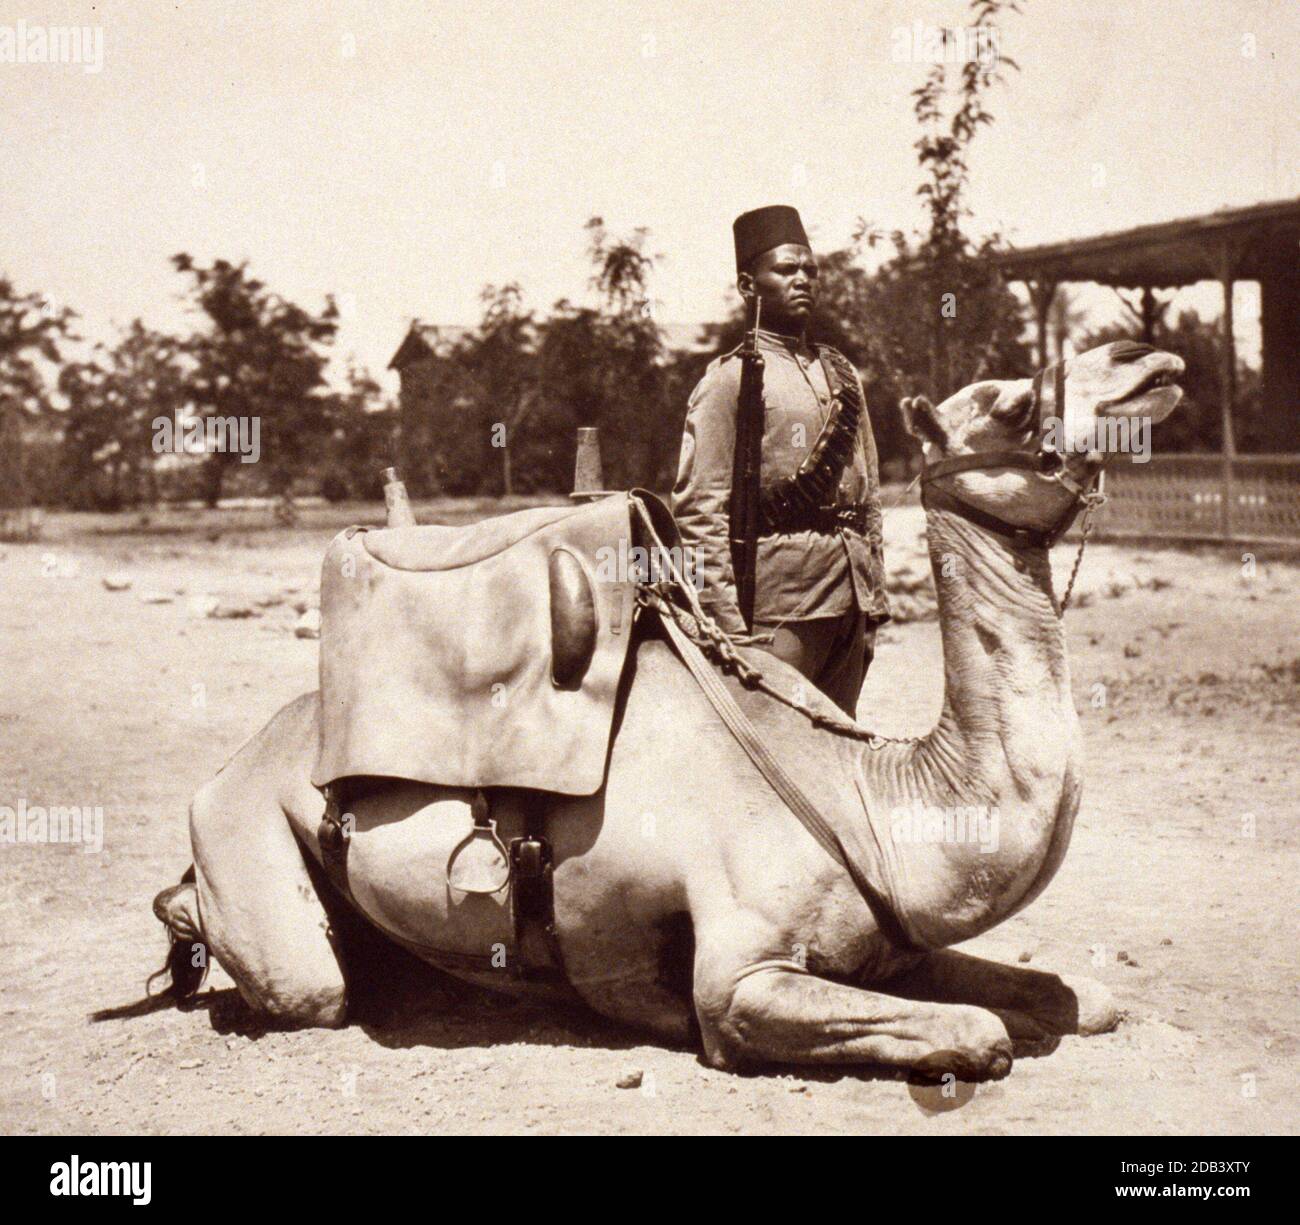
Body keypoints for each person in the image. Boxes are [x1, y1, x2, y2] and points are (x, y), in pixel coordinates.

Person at [671, 204, 889, 715]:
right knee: (772, 757)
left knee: (842, 747)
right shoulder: (729, 381)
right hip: (778, 609)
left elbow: (869, 494)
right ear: (750, 286)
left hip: (848, 601)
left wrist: (873, 601)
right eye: (786, 270)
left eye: (810, 269)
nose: (803, 280)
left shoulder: (842, 373)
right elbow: (700, 512)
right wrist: (728, 628)